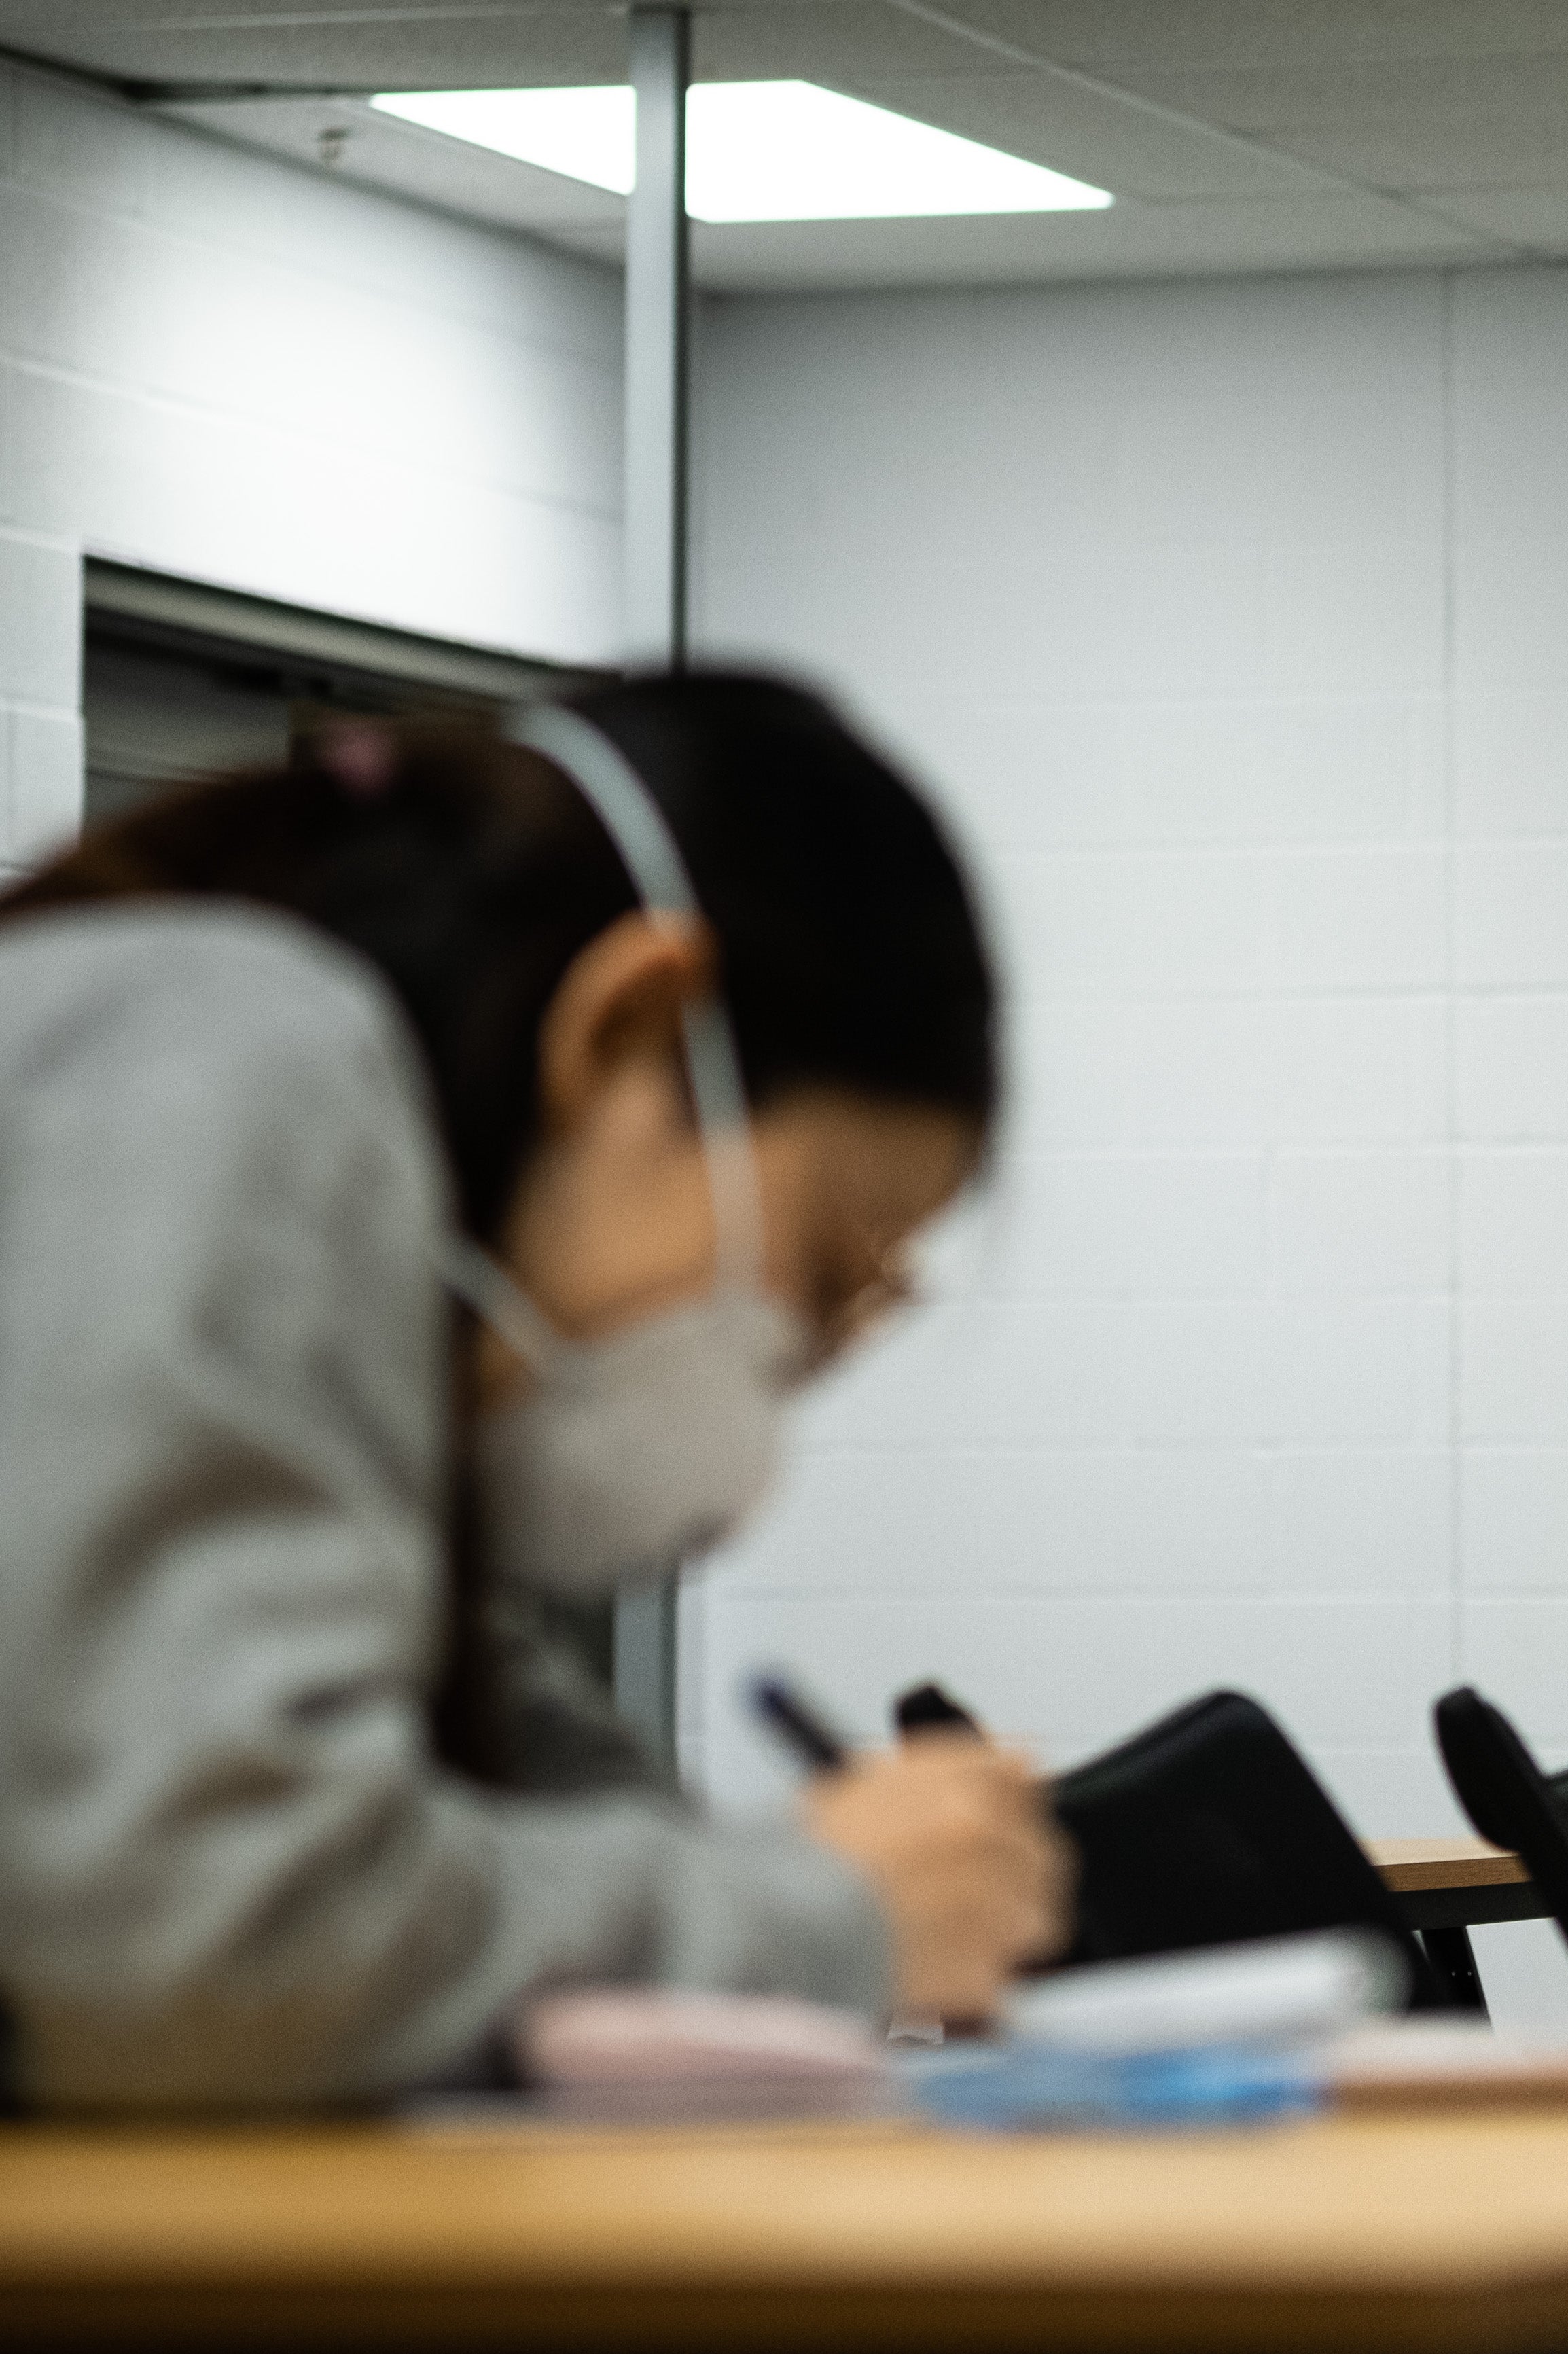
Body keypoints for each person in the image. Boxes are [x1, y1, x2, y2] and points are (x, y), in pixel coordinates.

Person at [0, 675, 1063, 2110]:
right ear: (632, 1029)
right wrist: (831, 1911)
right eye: (811, 1273)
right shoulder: (232, 1041)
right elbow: (210, 1935)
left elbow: (543, 1812)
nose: (781, 1379)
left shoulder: (366, 1402)